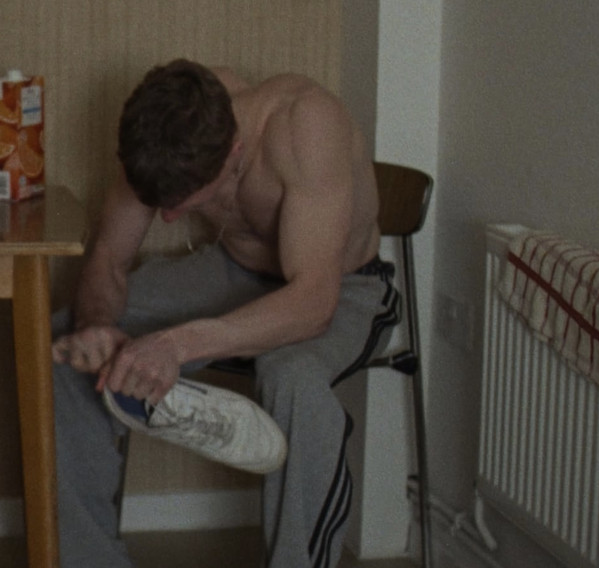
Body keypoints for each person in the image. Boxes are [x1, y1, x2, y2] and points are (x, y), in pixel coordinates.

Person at [50, 59, 400, 568]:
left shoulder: (306, 126)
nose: (169, 217)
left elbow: (312, 303)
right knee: (67, 343)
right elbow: (109, 258)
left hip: (342, 287)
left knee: (293, 377)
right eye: (161, 205)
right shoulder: (163, 132)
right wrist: (97, 327)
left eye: (184, 204)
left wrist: (175, 344)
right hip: (234, 273)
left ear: (234, 152)